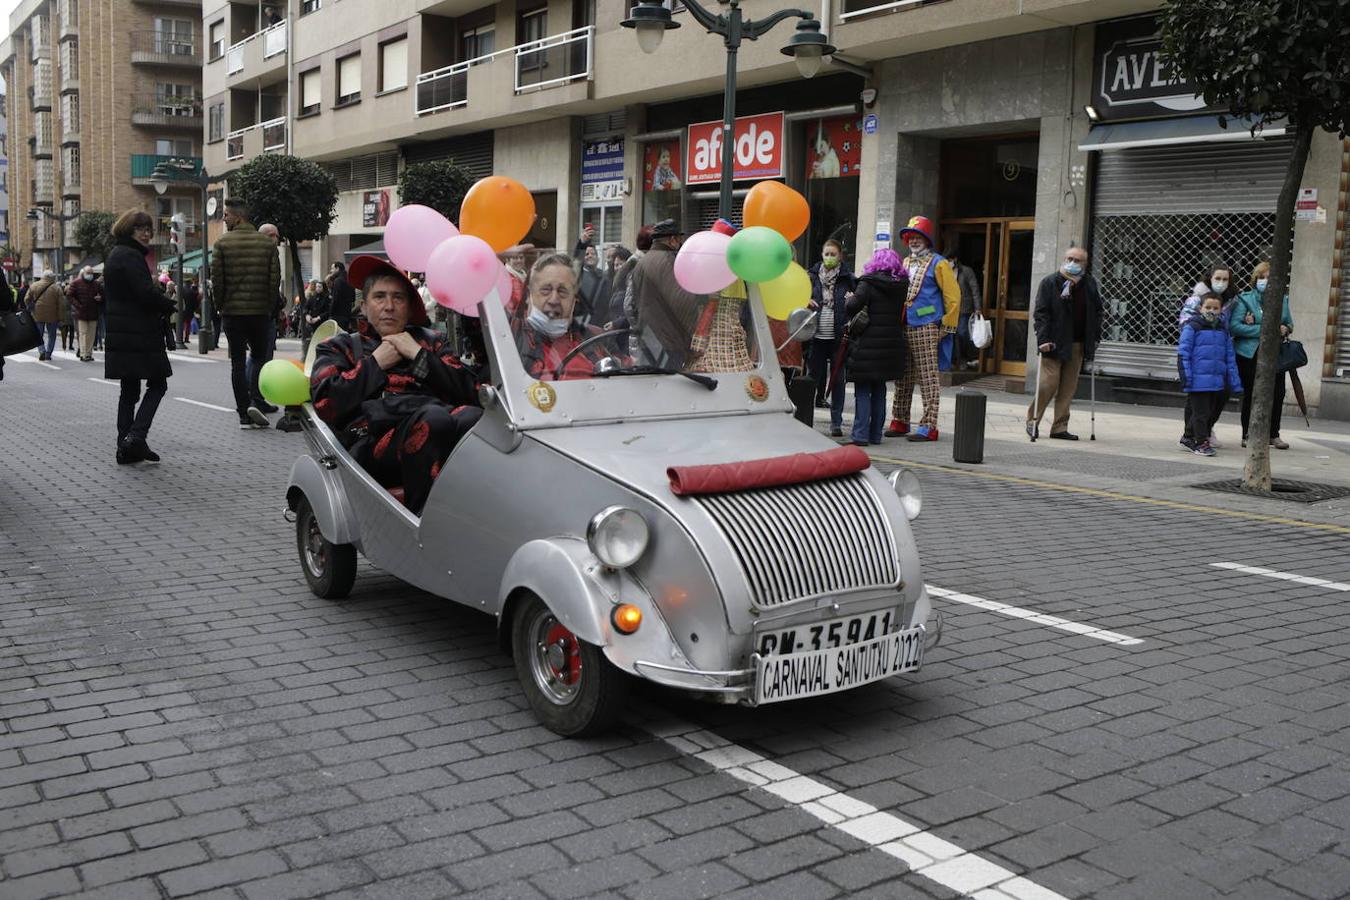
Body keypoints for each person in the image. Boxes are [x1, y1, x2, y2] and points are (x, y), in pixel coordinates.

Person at [310, 256, 481, 514]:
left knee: (474, 418)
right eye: (379, 297)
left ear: (410, 307)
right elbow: (325, 403)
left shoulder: (431, 342)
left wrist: (420, 356)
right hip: (372, 446)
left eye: (398, 298)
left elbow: (473, 391)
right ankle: (421, 521)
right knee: (433, 418)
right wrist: (375, 364)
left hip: (437, 429)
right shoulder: (341, 346)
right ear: (364, 306)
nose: (389, 306)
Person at [104, 210, 174, 465]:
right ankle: (135, 436)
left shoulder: (116, 254)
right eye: (140, 228)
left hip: (122, 331)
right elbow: (144, 293)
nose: (146, 233)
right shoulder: (130, 256)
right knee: (158, 383)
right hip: (138, 331)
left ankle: (126, 446)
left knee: (129, 389)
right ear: (129, 230)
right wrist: (167, 303)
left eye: (149, 229)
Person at [886, 216, 960, 441]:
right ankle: (899, 420)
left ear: (927, 240)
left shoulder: (940, 263)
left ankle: (929, 425)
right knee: (904, 376)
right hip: (904, 324)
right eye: (911, 237)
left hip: (927, 325)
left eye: (919, 237)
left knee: (928, 377)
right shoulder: (905, 263)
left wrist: (946, 326)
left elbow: (953, 297)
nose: (914, 241)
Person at [211, 198, 282, 429]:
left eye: (227, 215)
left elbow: (217, 282)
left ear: (238, 217)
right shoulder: (268, 245)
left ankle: (243, 412)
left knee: (238, 363)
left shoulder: (221, 244)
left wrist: (220, 305)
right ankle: (255, 400)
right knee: (260, 357)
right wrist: (269, 307)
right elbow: (274, 281)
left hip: (232, 313)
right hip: (260, 313)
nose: (224, 218)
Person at [1026, 244, 1103, 441]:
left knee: (1068, 388)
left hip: (1077, 343)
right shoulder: (1050, 282)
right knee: (1048, 384)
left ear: (1085, 264)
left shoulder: (1089, 284)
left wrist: (1095, 337)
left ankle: (1059, 427)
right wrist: (1043, 339)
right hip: (1053, 342)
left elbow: (1097, 311)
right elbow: (1041, 313)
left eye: (1077, 260)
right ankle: (1033, 420)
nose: (1072, 263)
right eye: (1069, 259)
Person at [512, 252, 625, 380]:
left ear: (574, 299)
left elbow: (629, 375)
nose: (554, 300)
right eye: (546, 290)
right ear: (528, 295)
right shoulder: (511, 337)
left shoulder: (598, 339)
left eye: (562, 291)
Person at [846, 248, 908, 446]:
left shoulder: (868, 282)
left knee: (863, 390)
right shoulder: (901, 286)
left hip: (867, 346)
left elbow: (852, 307)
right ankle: (875, 435)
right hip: (890, 345)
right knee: (880, 390)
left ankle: (860, 435)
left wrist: (848, 298)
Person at [1228, 261, 1293, 450]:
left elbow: (1289, 324)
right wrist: (1267, 329)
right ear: (1255, 280)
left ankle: (1274, 435)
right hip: (1249, 354)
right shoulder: (1245, 299)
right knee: (1251, 395)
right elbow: (1235, 327)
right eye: (1261, 278)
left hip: (1275, 354)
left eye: (1269, 278)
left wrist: (1285, 328)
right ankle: (1247, 434)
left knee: (1278, 393)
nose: (1264, 281)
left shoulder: (1283, 300)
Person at [628, 219, 705, 369]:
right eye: (679, 239)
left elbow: (631, 304)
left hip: (647, 339)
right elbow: (682, 303)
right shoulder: (668, 260)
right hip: (669, 343)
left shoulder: (642, 262)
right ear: (672, 240)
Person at [1177, 264, 1238, 449]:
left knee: (1219, 395)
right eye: (1217, 278)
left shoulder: (1232, 300)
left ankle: (1204, 430)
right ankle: (1194, 435)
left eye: (1225, 279)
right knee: (1198, 401)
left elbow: (1230, 325)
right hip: (1201, 357)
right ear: (1209, 278)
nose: (1221, 282)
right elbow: (1185, 323)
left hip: (1218, 357)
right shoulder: (1196, 299)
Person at [808, 238, 856, 437]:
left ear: (840, 256)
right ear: (821, 255)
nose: (829, 258)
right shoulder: (811, 276)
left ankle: (836, 422)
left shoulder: (848, 278)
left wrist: (852, 300)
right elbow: (798, 297)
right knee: (812, 378)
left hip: (838, 336)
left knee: (837, 380)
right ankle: (806, 419)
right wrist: (805, 300)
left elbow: (858, 302)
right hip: (816, 335)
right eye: (826, 254)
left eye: (833, 254)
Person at [948, 251, 982, 370]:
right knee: (951, 334)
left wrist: (977, 307)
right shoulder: (946, 271)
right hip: (950, 308)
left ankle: (967, 358)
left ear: (955, 259)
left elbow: (974, 289)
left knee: (962, 333)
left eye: (950, 260)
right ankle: (955, 361)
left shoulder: (966, 271)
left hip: (964, 308)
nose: (949, 263)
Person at [67, 265, 104, 361]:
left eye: (91, 273)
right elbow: (69, 295)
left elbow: (103, 295)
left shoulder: (96, 284)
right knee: (83, 334)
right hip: (82, 313)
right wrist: (78, 305)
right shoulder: (76, 283)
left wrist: (100, 298)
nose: (90, 275)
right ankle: (83, 354)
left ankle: (88, 353)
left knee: (91, 335)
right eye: (88, 273)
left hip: (93, 313)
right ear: (84, 273)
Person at [30, 271, 65, 361]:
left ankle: (42, 351)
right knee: (52, 335)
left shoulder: (34, 285)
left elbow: (26, 298)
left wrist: (31, 308)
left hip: (37, 314)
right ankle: (48, 353)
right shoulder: (57, 288)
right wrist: (61, 318)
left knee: (39, 334)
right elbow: (61, 305)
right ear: (52, 278)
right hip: (52, 315)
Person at [327, 261, 355, 331]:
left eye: (332, 269)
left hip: (337, 315)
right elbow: (353, 298)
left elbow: (335, 299)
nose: (331, 271)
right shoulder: (350, 279)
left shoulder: (338, 281)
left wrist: (330, 313)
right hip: (347, 314)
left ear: (337, 268)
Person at [179, 274, 200, 347]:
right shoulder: (192, 292)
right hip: (189, 310)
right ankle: (186, 338)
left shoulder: (181, 290)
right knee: (188, 324)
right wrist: (195, 309)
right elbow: (196, 302)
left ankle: (180, 337)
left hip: (181, 310)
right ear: (190, 283)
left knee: (181, 324)